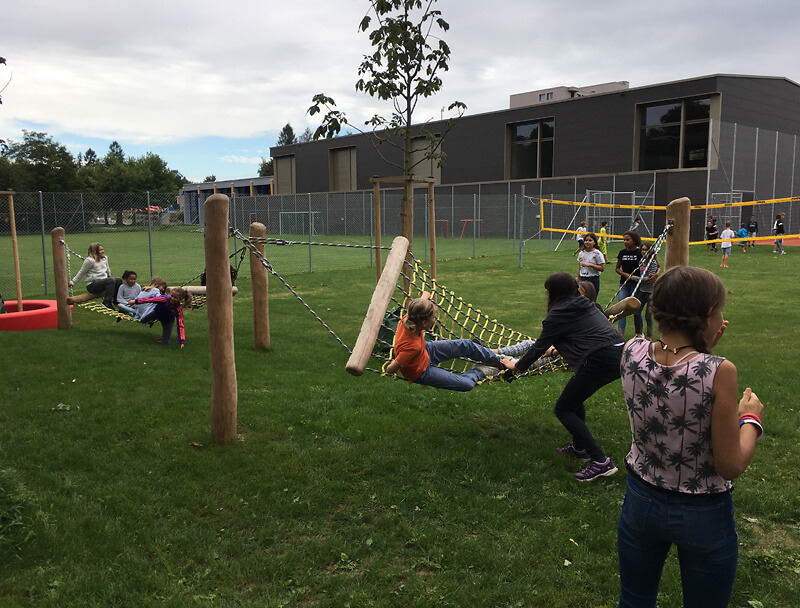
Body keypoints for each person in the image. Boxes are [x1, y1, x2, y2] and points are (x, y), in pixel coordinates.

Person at [617, 266, 763, 608]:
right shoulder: (720, 371)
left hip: (641, 500)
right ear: (709, 315)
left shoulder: (631, 350)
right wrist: (751, 419)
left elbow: (672, 377)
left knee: (634, 600)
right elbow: (730, 465)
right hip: (703, 512)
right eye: (720, 310)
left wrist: (703, 348)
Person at [509, 272, 625, 481]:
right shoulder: (586, 303)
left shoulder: (557, 314)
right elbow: (584, 329)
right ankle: (579, 448)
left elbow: (538, 347)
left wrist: (517, 367)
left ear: (553, 292)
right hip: (620, 353)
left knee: (563, 408)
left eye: (547, 290)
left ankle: (600, 461)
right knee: (574, 400)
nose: (545, 293)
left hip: (598, 358)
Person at [385, 292, 514, 391]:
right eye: (433, 318)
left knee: (466, 344)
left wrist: (425, 295)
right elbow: (391, 369)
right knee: (466, 384)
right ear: (424, 323)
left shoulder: (410, 317)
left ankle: (495, 360)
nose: (435, 319)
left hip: (425, 350)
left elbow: (422, 300)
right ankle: (479, 370)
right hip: (421, 371)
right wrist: (394, 363)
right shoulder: (411, 347)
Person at [68, 243, 123, 310]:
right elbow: (81, 272)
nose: (103, 251)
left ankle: (115, 300)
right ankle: (106, 302)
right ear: (95, 251)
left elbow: (108, 270)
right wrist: (73, 282)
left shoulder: (105, 258)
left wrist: (112, 280)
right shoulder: (89, 261)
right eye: (100, 250)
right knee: (110, 280)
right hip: (92, 285)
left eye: (102, 249)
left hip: (103, 283)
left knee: (118, 280)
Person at [615, 231, 643, 337]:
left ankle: (639, 332)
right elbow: (617, 269)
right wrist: (625, 274)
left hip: (636, 285)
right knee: (622, 308)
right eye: (624, 240)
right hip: (624, 284)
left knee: (636, 309)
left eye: (627, 240)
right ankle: (620, 333)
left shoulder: (640, 253)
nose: (625, 242)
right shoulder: (622, 253)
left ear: (634, 240)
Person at [632, 241, 660, 339]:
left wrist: (634, 278)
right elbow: (643, 277)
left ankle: (649, 336)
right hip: (642, 291)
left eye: (646, 249)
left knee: (648, 315)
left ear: (650, 251)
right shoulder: (642, 261)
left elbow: (649, 280)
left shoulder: (653, 263)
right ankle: (638, 334)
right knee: (636, 313)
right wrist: (639, 279)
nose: (644, 251)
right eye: (642, 249)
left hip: (651, 293)